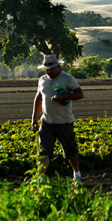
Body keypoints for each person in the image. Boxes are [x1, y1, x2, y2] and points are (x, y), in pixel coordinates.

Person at [31, 54, 84, 183]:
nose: (49, 71)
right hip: (47, 122)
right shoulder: (42, 80)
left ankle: (77, 175)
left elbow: (79, 94)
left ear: (58, 67)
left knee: (70, 152)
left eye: (52, 68)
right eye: (47, 69)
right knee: (44, 151)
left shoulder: (67, 79)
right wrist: (34, 117)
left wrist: (63, 97)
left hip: (64, 122)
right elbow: (39, 97)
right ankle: (40, 178)